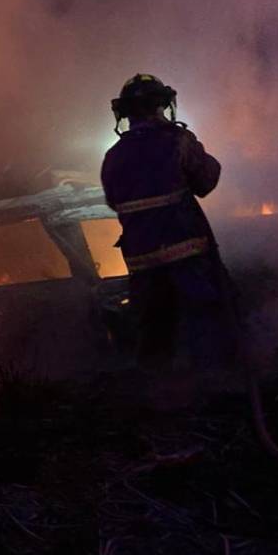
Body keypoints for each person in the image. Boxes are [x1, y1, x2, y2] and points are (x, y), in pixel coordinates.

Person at [100, 74, 238, 377]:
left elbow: (113, 201)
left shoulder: (112, 157)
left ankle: (160, 396)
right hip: (187, 252)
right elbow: (206, 181)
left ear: (125, 113)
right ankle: (217, 386)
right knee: (206, 320)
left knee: (154, 329)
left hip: (142, 261)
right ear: (161, 105)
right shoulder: (176, 141)